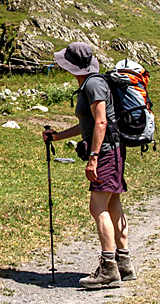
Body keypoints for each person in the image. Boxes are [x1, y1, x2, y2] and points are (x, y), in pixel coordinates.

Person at [43, 42, 136, 289]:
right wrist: (57, 136)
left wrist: (93, 158)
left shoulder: (93, 84)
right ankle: (123, 263)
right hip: (113, 150)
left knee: (98, 207)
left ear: (73, 66)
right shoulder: (91, 83)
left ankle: (108, 269)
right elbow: (88, 124)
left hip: (106, 152)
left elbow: (101, 123)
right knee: (112, 203)